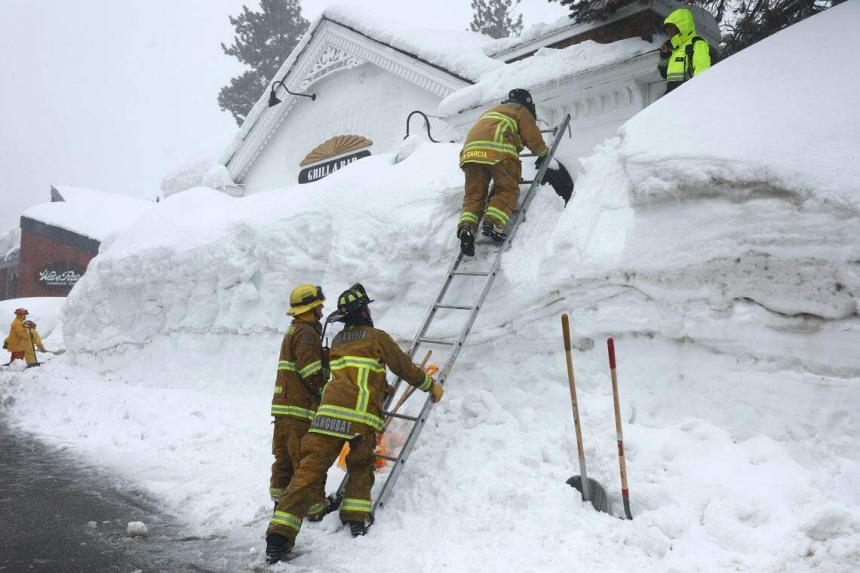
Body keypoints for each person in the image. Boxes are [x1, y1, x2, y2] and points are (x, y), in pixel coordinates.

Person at [265, 283, 444, 564]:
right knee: (360, 467)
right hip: (360, 419)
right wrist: (429, 385)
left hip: (326, 418)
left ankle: (278, 537)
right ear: (364, 311)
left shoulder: (337, 342)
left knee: (307, 474)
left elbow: (352, 375)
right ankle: (356, 520)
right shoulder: (377, 338)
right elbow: (404, 368)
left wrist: (379, 385)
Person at [269, 283, 337, 522]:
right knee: (307, 462)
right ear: (310, 307)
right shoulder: (306, 334)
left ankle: (281, 500)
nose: (322, 307)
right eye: (319, 304)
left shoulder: (296, 330)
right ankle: (315, 508)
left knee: (284, 459)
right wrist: (327, 394)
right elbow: (310, 372)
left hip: (285, 408)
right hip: (298, 410)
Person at [457, 88, 548, 256]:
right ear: (527, 104)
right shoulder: (520, 110)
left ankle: (466, 228)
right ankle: (492, 223)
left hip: (470, 154)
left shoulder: (492, 111)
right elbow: (532, 136)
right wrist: (542, 153)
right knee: (507, 189)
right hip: (498, 151)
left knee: (474, 195)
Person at [658, 7, 711, 94]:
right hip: (673, 97)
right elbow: (665, 75)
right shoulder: (676, 50)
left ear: (682, 26)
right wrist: (665, 55)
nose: (668, 30)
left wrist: (698, 94)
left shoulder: (696, 42)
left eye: (671, 27)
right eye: (667, 28)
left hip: (688, 96)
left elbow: (703, 71)